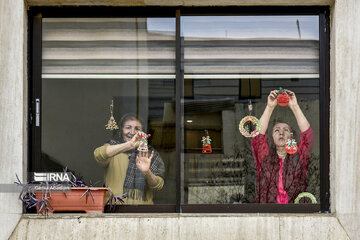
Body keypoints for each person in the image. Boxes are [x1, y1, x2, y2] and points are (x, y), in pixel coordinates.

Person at [251, 90, 313, 203]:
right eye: (277, 130)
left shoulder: (300, 157)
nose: (281, 133)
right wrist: (270, 107)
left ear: (291, 137)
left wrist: (294, 106)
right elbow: (257, 138)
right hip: (268, 216)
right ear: (271, 137)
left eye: (286, 130)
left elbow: (307, 137)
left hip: (296, 216)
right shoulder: (264, 157)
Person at [94, 113, 165, 204]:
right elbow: (99, 155)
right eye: (128, 127)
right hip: (114, 209)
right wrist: (130, 145)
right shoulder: (113, 148)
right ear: (121, 129)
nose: (132, 132)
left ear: (143, 132)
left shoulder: (150, 154)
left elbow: (158, 186)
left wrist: (147, 172)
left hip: (143, 211)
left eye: (137, 129)